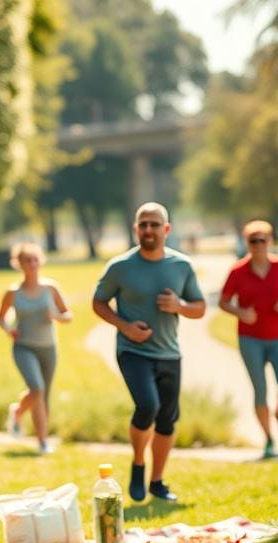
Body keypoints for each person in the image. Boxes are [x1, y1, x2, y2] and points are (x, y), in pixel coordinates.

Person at [92, 202, 206, 502]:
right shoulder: (120, 267)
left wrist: (179, 306)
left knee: (167, 420)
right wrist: (125, 327)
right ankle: (138, 463)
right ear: (135, 229)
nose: (148, 230)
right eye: (143, 224)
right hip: (133, 350)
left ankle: (157, 482)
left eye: (155, 224)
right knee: (147, 406)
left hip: (169, 353)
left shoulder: (182, 266)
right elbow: (99, 303)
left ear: (166, 229)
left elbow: (200, 308)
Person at [218, 220, 278, 459]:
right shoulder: (237, 271)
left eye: (262, 240)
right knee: (260, 390)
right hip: (250, 338)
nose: (258, 245)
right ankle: (268, 439)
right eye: (252, 241)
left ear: (270, 241)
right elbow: (223, 301)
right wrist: (240, 312)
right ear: (247, 243)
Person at [0, 243, 72, 455]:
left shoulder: (51, 288)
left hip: (48, 348)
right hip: (23, 347)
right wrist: (9, 330)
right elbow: (0, 319)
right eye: (27, 260)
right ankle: (24, 418)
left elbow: (68, 315)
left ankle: (40, 440)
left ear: (41, 261)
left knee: (43, 395)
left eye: (35, 259)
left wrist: (56, 316)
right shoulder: (13, 293)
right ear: (18, 264)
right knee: (36, 388)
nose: (32, 264)